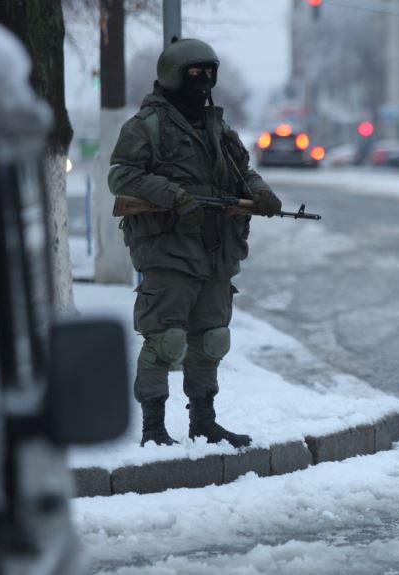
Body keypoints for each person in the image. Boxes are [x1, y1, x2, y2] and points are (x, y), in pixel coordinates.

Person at [109, 38, 282, 449]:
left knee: (212, 339)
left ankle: (203, 421)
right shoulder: (147, 126)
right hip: (169, 249)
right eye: (194, 74)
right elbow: (121, 176)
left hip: (216, 248)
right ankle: (153, 429)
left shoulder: (218, 128)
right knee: (165, 340)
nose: (203, 82)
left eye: (209, 75)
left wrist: (261, 192)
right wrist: (173, 195)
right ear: (172, 75)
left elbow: (242, 173)